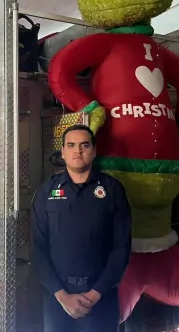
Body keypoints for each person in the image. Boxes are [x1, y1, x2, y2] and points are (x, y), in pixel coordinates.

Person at [31, 124, 132, 332]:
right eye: (71, 145)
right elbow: (37, 247)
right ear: (63, 152)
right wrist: (61, 295)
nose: (78, 151)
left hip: (101, 299)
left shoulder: (112, 190)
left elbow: (122, 247)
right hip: (58, 301)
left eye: (84, 145)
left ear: (94, 151)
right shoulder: (46, 191)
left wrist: (95, 294)